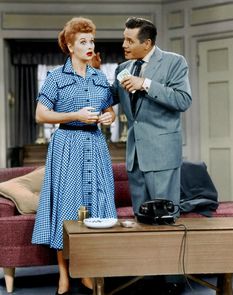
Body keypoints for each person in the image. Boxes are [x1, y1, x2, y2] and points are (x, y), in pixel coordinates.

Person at [32, 17, 117, 295]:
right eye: (83, 41)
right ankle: (64, 275)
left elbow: (110, 109)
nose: (89, 45)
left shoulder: (99, 76)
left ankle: (89, 272)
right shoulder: (56, 77)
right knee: (67, 209)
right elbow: (41, 114)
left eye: (91, 40)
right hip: (67, 144)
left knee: (97, 206)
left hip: (95, 145)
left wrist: (108, 116)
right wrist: (74, 115)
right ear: (70, 46)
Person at [111, 16, 192, 294]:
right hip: (135, 154)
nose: (124, 44)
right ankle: (147, 272)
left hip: (161, 153)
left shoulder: (174, 62)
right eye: (124, 38)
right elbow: (110, 98)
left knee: (166, 219)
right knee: (141, 219)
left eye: (129, 40)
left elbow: (183, 100)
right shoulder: (122, 68)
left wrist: (145, 84)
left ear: (147, 43)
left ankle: (172, 279)